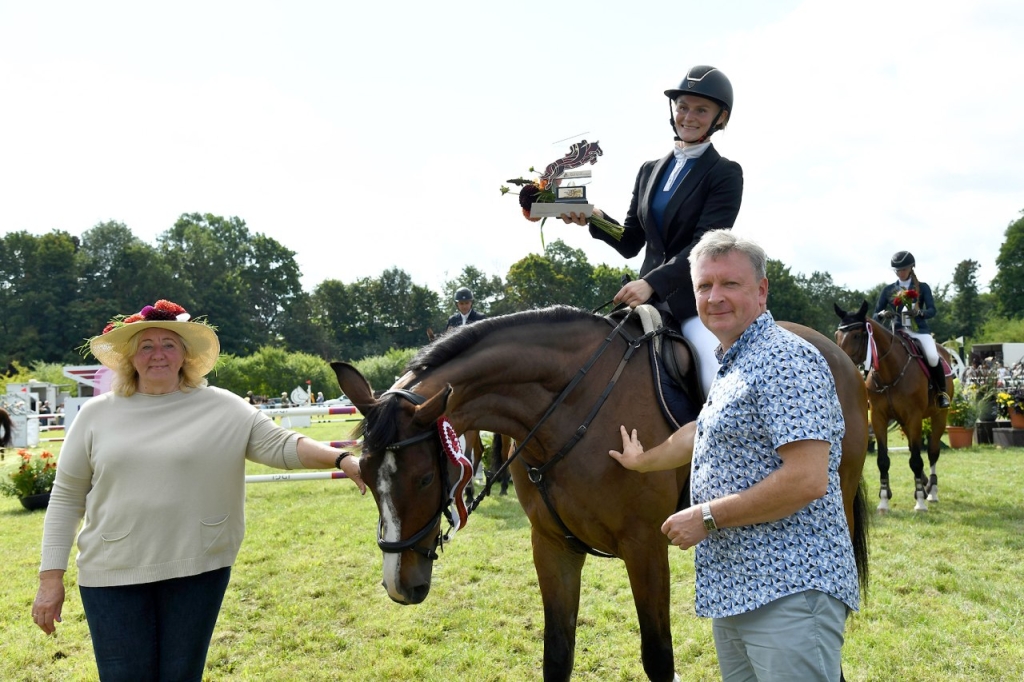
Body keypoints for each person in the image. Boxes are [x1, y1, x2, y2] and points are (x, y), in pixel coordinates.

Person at [31, 299, 365, 680]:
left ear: (185, 355)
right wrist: (49, 579)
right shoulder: (95, 415)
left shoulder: (224, 407)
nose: (158, 354)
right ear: (130, 358)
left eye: (169, 344)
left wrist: (342, 459)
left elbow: (281, 444)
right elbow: (66, 497)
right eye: (146, 345)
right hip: (111, 574)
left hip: (197, 569)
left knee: (181, 676)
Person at [609, 231, 859, 681]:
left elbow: (807, 479)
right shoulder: (735, 361)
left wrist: (705, 517)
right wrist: (643, 461)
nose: (714, 297)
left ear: (761, 291)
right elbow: (702, 431)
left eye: (730, 284)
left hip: (789, 587)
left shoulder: (784, 359)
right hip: (740, 587)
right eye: (704, 286)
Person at [561, 65, 743, 398]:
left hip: (692, 306)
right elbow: (631, 241)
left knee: (718, 384)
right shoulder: (649, 171)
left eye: (701, 109)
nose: (688, 116)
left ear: (720, 118)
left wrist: (651, 284)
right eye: (683, 106)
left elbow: (704, 247)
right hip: (642, 302)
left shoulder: (725, 173)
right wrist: (593, 217)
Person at [873, 250, 950, 408]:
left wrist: (919, 312)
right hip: (896, 332)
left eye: (903, 269)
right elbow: (875, 314)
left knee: (933, 357)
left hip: (919, 331)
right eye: (897, 270)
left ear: (911, 268)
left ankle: (941, 393)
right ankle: (873, 391)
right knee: (877, 356)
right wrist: (882, 314)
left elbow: (932, 310)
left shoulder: (922, 288)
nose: (900, 273)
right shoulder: (888, 290)